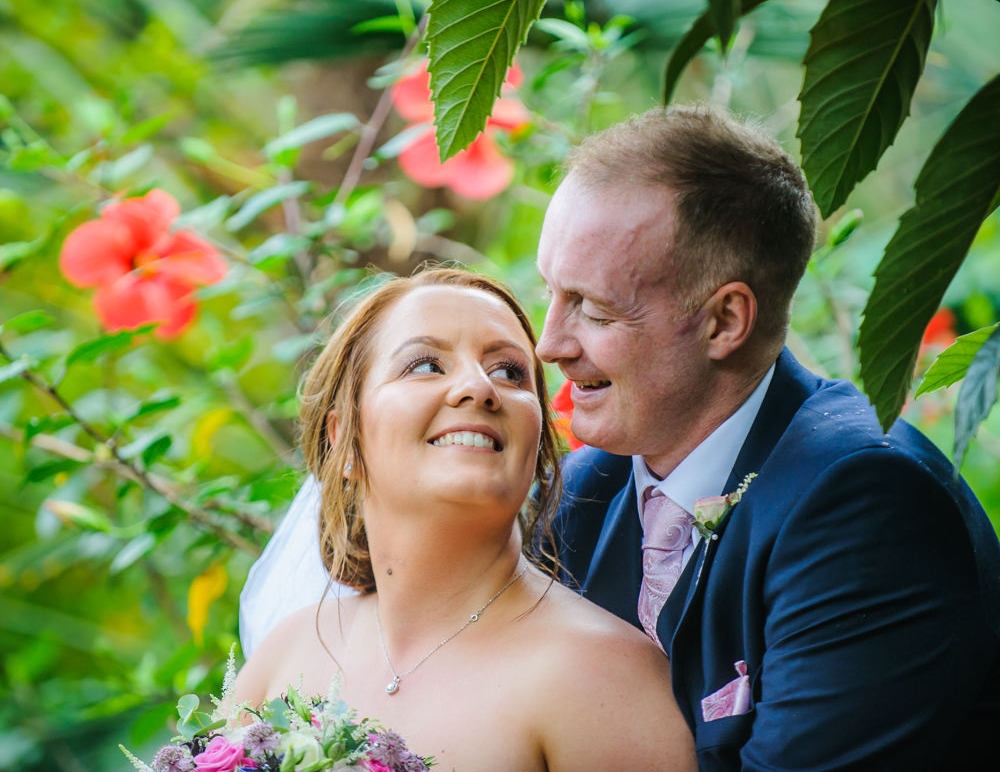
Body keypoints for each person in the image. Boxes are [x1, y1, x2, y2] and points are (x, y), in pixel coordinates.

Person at [243, 105, 1000, 769]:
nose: (548, 346)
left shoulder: (863, 502)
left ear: (723, 322)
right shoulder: (591, 487)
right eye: (550, 292)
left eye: (593, 309)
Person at [234, 268, 696, 772]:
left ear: (540, 445)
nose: (479, 388)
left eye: (508, 372)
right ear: (343, 439)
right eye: (426, 365)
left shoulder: (601, 676)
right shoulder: (284, 656)